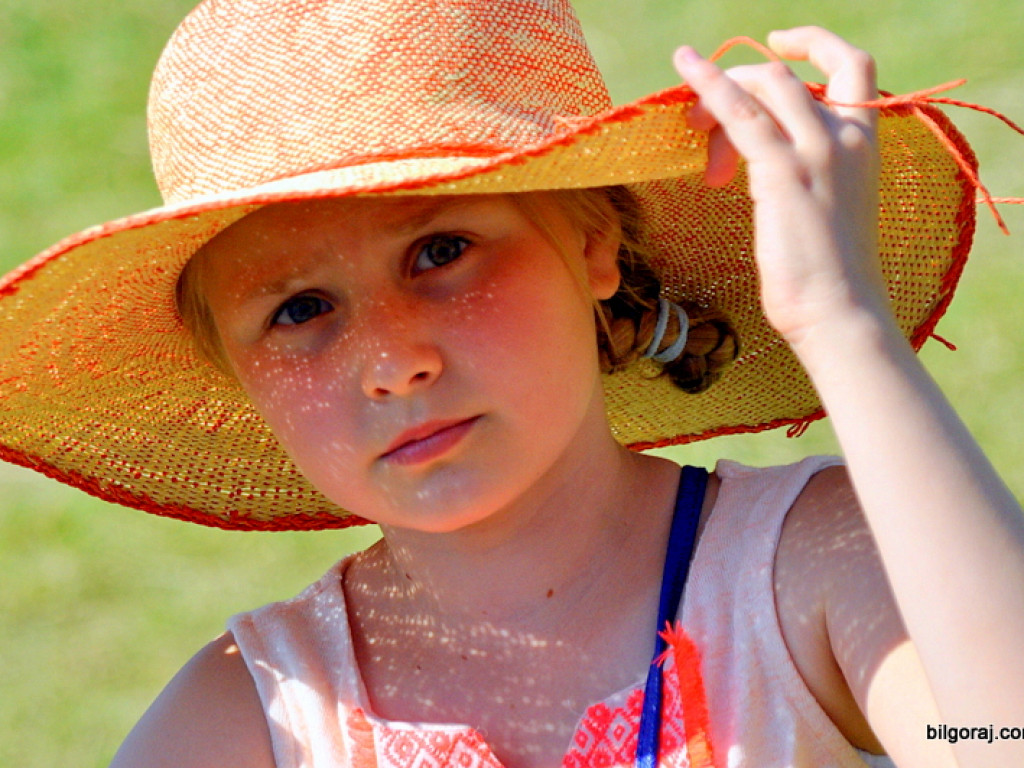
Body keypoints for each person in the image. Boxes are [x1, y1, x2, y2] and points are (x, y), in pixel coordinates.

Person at [1, 1, 1022, 766]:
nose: (395, 359)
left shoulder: (802, 570)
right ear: (239, 377)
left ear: (592, 243)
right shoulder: (257, 719)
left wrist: (837, 321)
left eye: (441, 250)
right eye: (299, 311)